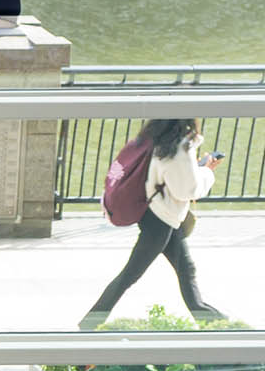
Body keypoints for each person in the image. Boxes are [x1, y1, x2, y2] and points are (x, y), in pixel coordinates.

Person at [85, 118, 231, 325]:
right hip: (161, 219)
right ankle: (89, 324)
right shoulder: (178, 147)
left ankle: (213, 321)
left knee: (186, 269)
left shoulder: (155, 137)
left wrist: (194, 168)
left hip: (156, 213)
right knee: (130, 275)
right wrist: (206, 171)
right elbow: (187, 190)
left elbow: (171, 178)